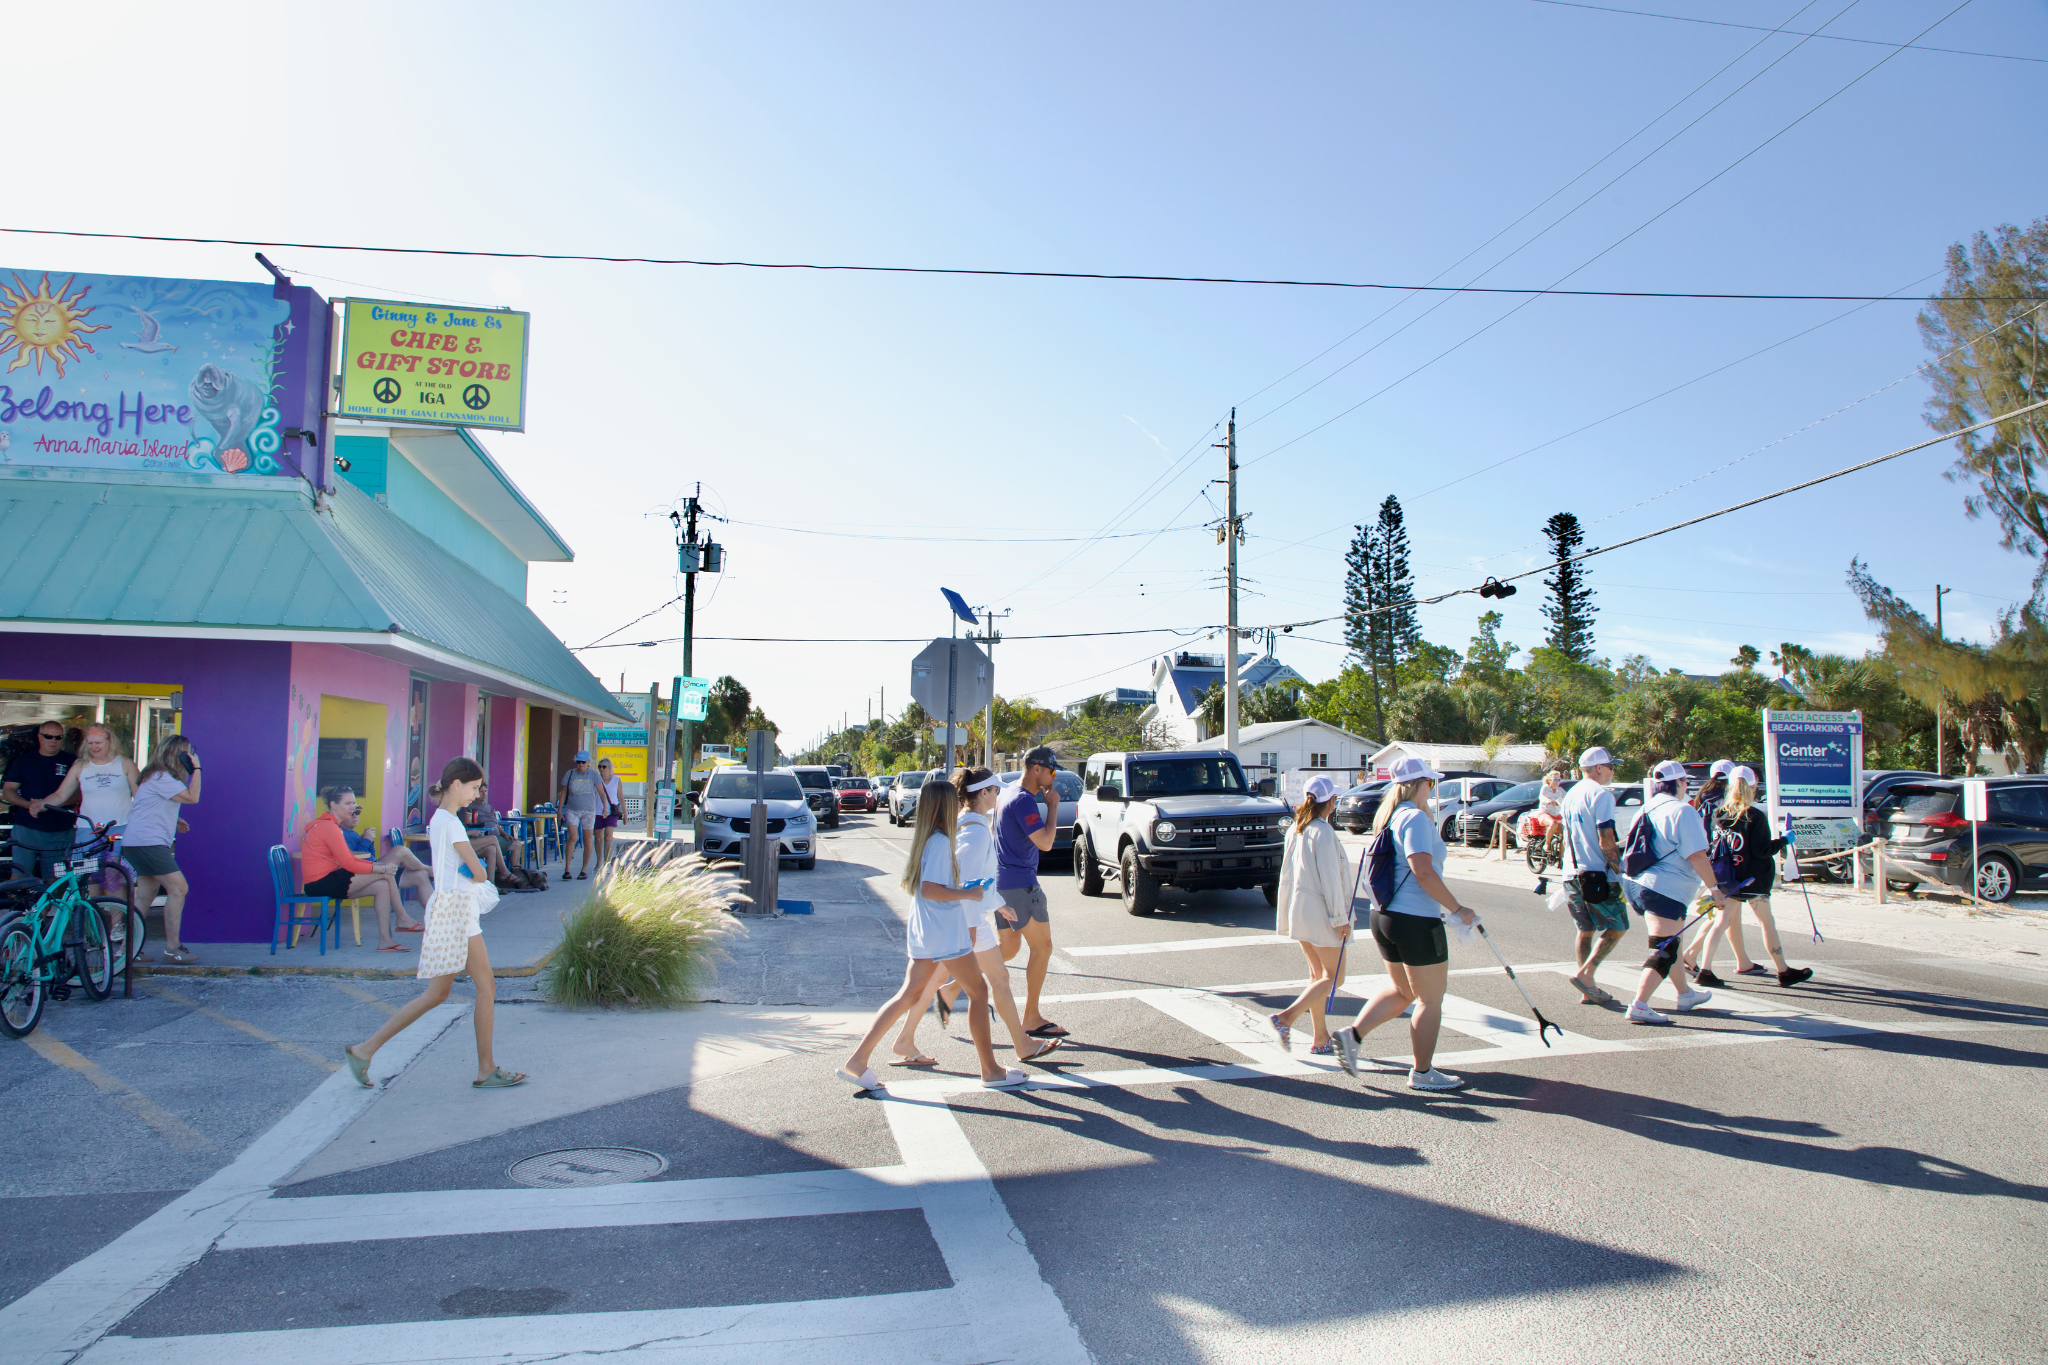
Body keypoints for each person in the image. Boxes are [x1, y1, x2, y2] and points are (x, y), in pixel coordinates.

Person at [345, 756, 525, 1090]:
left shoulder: (439, 819)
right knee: (485, 987)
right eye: (473, 788)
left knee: (437, 993)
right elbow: (483, 871)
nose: (476, 795)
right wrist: (475, 870)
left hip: (448, 908)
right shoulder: (452, 823)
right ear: (456, 784)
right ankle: (486, 1068)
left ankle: (365, 1050)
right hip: (457, 911)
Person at [838, 775, 1019, 1090]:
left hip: (927, 930)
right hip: (945, 932)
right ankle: (990, 1070)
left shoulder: (929, 839)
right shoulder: (940, 842)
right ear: (945, 807)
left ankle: (858, 1060)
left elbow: (931, 887)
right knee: (979, 992)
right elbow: (932, 889)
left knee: (908, 995)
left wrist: (965, 890)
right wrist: (969, 894)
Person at [892, 768, 1062, 1068]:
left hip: (964, 918)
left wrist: (998, 904)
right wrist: (971, 926)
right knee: (980, 980)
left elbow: (975, 880)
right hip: (965, 920)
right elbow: (965, 880)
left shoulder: (970, 824)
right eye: (995, 790)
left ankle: (907, 1038)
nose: (998, 795)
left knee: (949, 980)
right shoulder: (975, 829)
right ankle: (1016, 1048)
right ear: (983, 793)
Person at [1332, 757, 1475, 1091]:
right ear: (1419, 784)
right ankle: (1423, 1073)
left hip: (1384, 916)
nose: (1433, 789)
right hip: (1415, 919)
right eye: (1432, 783)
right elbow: (1422, 870)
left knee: (1403, 990)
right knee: (1430, 998)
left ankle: (1351, 1037)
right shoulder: (1414, 819)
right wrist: (1458, 909)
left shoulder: (1392, 816)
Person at [1622, 759, 1728, 1025]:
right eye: (1685, 782)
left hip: (1636, 884)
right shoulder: (1683, 810)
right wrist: (1715, 890)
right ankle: (1639, 1005)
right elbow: (1697, 854)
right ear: (1680, 782)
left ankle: (1685, 994)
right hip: (1664, 887)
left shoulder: (1646, 808)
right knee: (1665, 949)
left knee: (1672, 941)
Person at [1689, 766, 1814, 989]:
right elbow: (1762, 850)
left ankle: (1705, 970)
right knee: (1767, 924)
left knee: (1720, 924)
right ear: (1753, 786)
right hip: (1753, 880)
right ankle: (1783, 971)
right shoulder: (1754, 815)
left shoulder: (1720, 814)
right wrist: (1785, 840)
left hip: (1729, 878)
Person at [1267, 775, 1352, 1055]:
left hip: (1299, 910)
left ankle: (1320, 1037)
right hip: (1322, 914)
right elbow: (1330, 880)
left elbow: (1287, 877)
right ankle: (1286, 1018)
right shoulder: (1323, 832)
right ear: (1329, 801)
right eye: (1335, 799)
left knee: (1317, 977)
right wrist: (1340, 918)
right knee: (1334, 978)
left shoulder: (1297, 828)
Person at [997, 746, 1066, 1040]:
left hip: (1003, 883)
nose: (1053, 777)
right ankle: (1032, 1018)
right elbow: (1047, 843)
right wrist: (1052, 808)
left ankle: (950, 986)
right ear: (1036, 768)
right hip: (1021, 884)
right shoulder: (1024, 801)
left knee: (1008, 950)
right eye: (1051, 771)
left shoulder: (1007, 792)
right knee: (1043, 948)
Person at [35, 723, 138, 901]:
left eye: (98, 742)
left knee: (113, 878)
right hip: (87, 830)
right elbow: (60, 794)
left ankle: (117, 927)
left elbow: (140, 797)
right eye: (90, 743)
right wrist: (41, 804)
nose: (93, 747)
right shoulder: (81, 765)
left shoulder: (125, 764)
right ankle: (92, 926)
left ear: (110, 741)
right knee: (89, 880)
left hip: (118, 829)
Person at [124, 735, 203, 965]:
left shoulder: (156, 776)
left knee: (145, 895)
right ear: (179, 754)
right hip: (148, 843)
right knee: (179, 888)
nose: (190, 756)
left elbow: (149, 805)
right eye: (188, 753)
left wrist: (174, 818)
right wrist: (197, 767)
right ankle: (172, 948)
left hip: (139, 843)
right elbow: (193, 797)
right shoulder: (162, 776)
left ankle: (126, 950)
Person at [1561, 746, 1630, 1005]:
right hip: (1597, 874)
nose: (1613, 771)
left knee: (1585, 929)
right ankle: (1586, 975)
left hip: (1571, 872)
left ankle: (1586, 989)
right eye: (1611, 766)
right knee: (1618, 926)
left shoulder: (1570, 795)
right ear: (1600, 768)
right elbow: (1605, 839)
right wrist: (1621, 869)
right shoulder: (1601, 795)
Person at [333, 791, 433, 913]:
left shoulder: (353, 833)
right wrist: (365, 840)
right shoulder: (340, 834)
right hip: (362, 874)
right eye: (352, 813)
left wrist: (369, 842)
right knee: (399, 850)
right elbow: (355, 861)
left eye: (357, 812)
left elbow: (371, 856)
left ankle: (435, 921)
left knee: (421, 875)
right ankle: (430, 870)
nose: (355, 816)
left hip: (375, 868)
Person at [4, 722, 79, 879]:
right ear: (39, 737)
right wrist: (30, 805)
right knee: (18, 878)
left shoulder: (73, 762)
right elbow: (8, 791)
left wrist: (51, 805)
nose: (53, 741)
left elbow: (81, 793)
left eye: (58, 737)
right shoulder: (24, 761)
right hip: (26, 829)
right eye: (48, 736)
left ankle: (48, 906)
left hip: (60, 831)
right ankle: (19, 905)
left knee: (55, 883)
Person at [460, 783, 525, 882]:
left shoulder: (489, 807)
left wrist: (504, 834)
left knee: (504, 846)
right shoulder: (468, 808)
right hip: (479, 839)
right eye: (480, 792)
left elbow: (496, 824)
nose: (483, 794)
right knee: (493, 840)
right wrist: (472, 831)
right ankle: (505, 872)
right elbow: (465, 827)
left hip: (494, 839)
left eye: (485, 792)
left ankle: (494, 883)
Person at [558, 749, 599, 879]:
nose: (580, 765)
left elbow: (601, 792)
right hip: (572, 808)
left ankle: (584, 870)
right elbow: (563, 792)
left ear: (588, 762)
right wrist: (559, 811)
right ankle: (567, 869)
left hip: (588, 810)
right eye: (578, 762)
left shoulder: (593, 774)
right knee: (573, 837)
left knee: (588, 840)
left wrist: (604, 808)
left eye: (583, 762)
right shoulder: (570, 774)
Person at [593, 758, 624, 865]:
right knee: (598, 838)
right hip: (597, 811)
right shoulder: (596, 779)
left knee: (608, 835)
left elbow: (620, 797)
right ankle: (599, 860)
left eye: (604, 767)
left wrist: (625, 812)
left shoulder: (616, 780)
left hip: (611, 812)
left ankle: (607, 862)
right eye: (599, 767)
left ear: (609, 768)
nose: (601, 769)